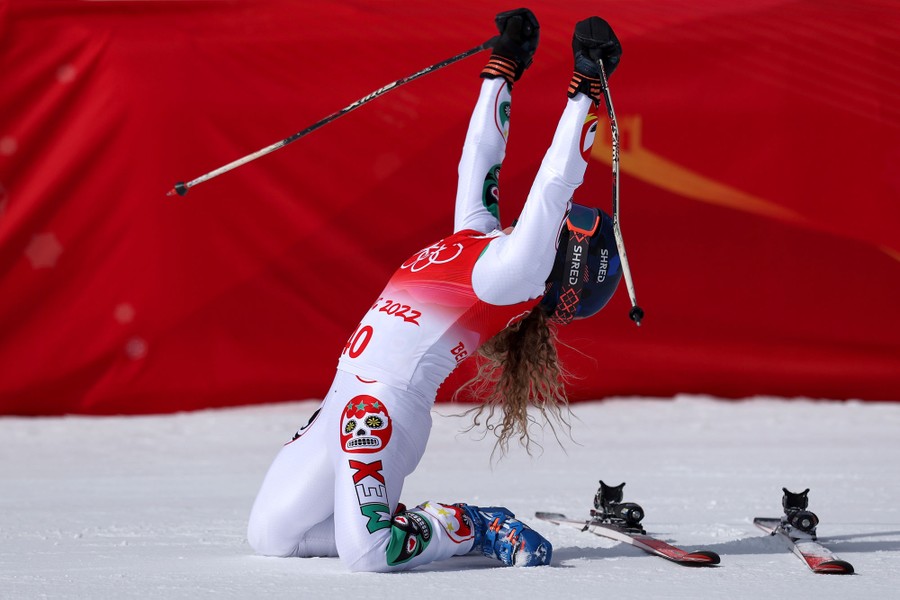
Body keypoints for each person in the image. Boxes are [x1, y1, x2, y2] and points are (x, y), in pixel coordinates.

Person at [247, 9, 624, 572]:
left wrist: (585, 91)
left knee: (370, 553)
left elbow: (554, 184)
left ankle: (477, 524)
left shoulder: (513, 274)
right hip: (339, 397)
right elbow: (479, 160)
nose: (570, 214)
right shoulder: (478, 236)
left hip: (379, 410)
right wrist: (502, 68)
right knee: (272, 536)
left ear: (565, 256)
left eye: (575, 221)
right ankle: (390, 516)